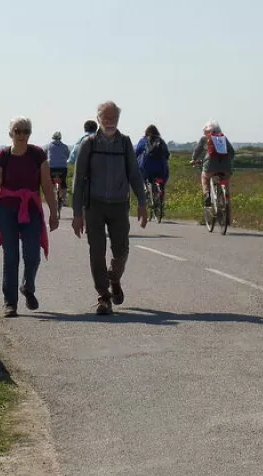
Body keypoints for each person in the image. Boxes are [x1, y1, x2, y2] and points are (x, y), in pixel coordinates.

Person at [71, 101, 148, 315]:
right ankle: (104, 296)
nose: (110, 122)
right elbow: (78, 181)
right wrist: (77, 214)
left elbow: (134, 174)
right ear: (98, 119)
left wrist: (142, 203)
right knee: (96, 251)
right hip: (93, 205)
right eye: (105, 118)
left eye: (113, 118)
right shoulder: (89, 144)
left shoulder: (124, 144)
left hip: (119, 205)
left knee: (121, 250)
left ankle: (113, 277)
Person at [0, 117, 59, 318]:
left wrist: (54, 213)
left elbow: (47, 186)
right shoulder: (2, 156)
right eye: (18, 130)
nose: (22, 135)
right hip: (7, 209)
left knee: (32, 254)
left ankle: (27, 287)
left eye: (26, 131)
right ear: (10, 133)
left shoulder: (37, 154)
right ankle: (10, 303)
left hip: (30, 208)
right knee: (11, 256)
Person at [192, 120, 235, 208]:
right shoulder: (223, 138)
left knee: (204, 177)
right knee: (224, 182)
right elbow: (232, 152)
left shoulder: (204, 138)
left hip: (210, 166)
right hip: (226, 167)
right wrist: (227, 161)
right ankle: (225, 196)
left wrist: (193, 159)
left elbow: (197, 150)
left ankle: (207, 194)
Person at [135, 124, 171, 194]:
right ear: (157, 132)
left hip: (146, 168)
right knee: (162, 182)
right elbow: (167, 154)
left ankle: (145, 189)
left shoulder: (143, 140)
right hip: (161, 169)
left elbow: (137, 153)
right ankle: (161, 197)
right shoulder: (161, 141)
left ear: (146, 132)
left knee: (142, 176)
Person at [45, 131, 70, 200]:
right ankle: (64, 199)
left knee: (52, 182)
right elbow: (68, 155)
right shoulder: (64, 146)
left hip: (52, 167)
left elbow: (45, 155)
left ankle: (52, 198)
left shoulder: (49, 146)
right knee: (63, 182)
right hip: (63, 167)